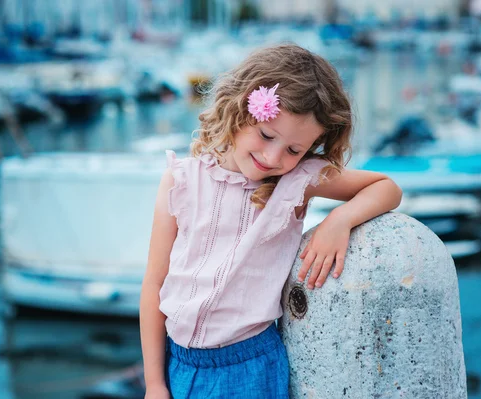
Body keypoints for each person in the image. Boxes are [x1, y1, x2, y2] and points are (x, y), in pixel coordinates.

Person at [139, 43, 403, 399]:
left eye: (294, 150)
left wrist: (339, 220)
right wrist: (154, 384)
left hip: (248, 368)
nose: (273, 156)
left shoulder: (297, 182)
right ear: (239, 109)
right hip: (177, 363)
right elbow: (154, 284)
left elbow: (387, 188)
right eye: (266, 135)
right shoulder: (181, 180)